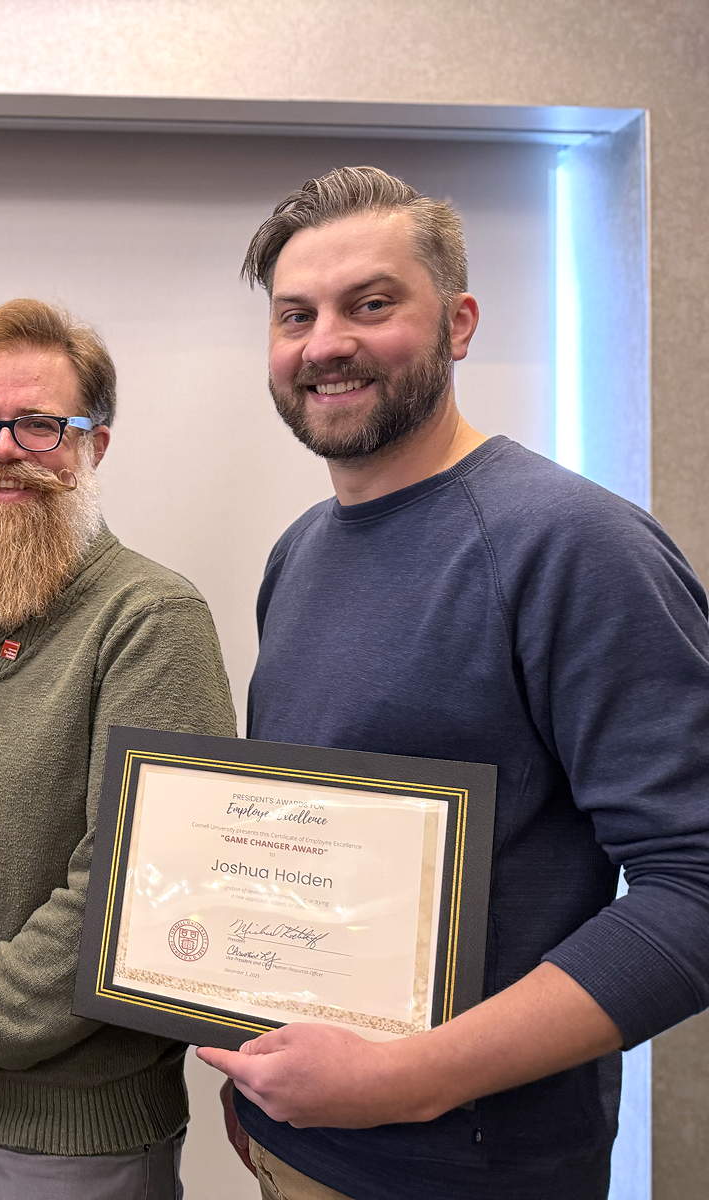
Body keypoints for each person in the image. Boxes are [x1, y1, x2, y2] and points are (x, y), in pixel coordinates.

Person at [197, 165, 709, 1199]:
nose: (325, 343)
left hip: (474, 1173)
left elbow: (696, 886)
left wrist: (407, 1079)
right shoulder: (300, 552)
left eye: (370, 304)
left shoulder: (574, 546)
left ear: (458, 323)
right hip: (296, 1148)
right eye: (296, 315)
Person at [0, 299, 236, 1198]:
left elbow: (135, 891)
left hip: (72, 1146)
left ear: (94, 445)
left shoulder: (150, 620)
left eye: (38, 425)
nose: (4, 451)